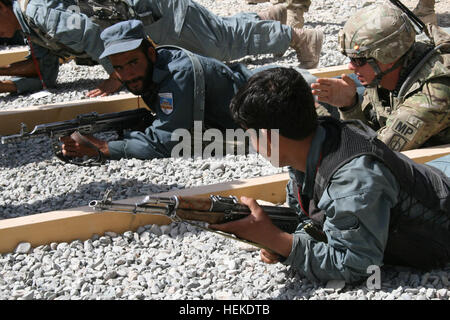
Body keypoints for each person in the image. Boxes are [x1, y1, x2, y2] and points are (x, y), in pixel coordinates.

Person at [210, 67, 450, 284]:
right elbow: (309, 218)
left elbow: (357, 265)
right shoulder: (316, 140)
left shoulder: (353, 181)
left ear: (268, 137)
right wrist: (282, 238)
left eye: (250, 136)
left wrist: (279, 242)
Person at [0, 0, 323, 96]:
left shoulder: (35, 12)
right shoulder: (28, 22)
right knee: (216, 33)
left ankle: (297, 37)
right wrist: (12, 85)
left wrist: (116, 76)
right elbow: (46, 71)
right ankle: (265, 17)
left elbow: (91, 37)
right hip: (144, 21)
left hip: (156, 14)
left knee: (217, 47)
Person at [60, 20, 266, 161]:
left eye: (133, 62)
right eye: (119, 68)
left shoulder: (178, 75)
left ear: (151, 54)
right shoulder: (150, 68)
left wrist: (104, 147)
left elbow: (167, 142)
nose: (128, 74)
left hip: (267, 102)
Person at [310, 2, 449, 151]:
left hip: (438, 163)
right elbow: (368, 129)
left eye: (358, 60)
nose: (351, 66)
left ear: (388, 56)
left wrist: (319, 115)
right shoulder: (389, 69)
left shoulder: (429, 99)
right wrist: (349, 104)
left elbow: (372, 155)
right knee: (302, 88)